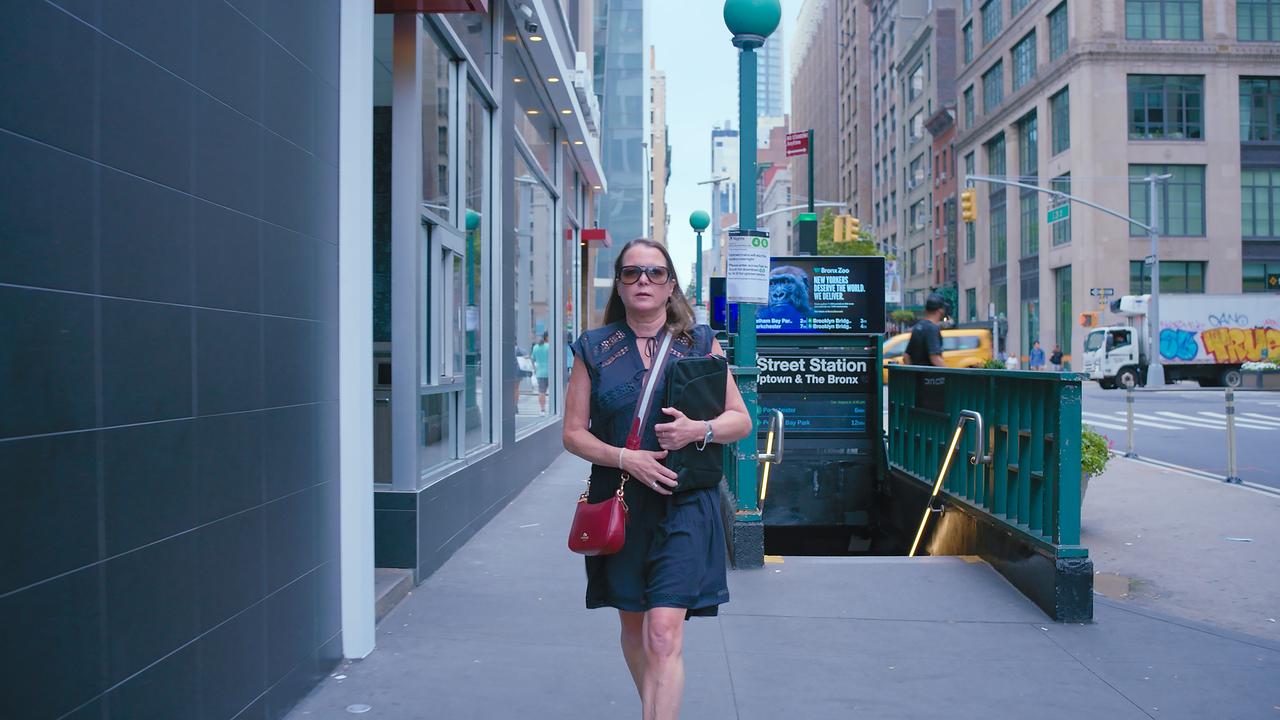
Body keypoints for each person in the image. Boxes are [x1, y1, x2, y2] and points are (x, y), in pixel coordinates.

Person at [563, 238, 753, 719]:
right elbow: (572, 435)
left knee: (663, 630)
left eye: (653, 273)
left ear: (671, 285)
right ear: (620, 285)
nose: (642, 281)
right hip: (622, 502)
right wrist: (627, 459)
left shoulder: (699, 342)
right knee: (634, 631)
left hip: (685, 501)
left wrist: (698, 429)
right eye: (631, 273)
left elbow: (740, 421)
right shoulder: (593, 348)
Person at [906, 293, 948, 367]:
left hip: (918, 377)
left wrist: (913, 374)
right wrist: (950, 374)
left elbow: (906, 356)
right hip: (931, 378)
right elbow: (935, 358)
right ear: (940, 310)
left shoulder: (917, 327)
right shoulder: (932, 328)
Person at [531, 331, 550, 415]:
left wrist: (535, 369)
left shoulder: (535, 347)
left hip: (540, 372)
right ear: (547, 337)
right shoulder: (549, 347)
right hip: (551, 372)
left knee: (542, 392)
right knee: (554, 392)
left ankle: (542, 410)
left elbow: (532, 359)